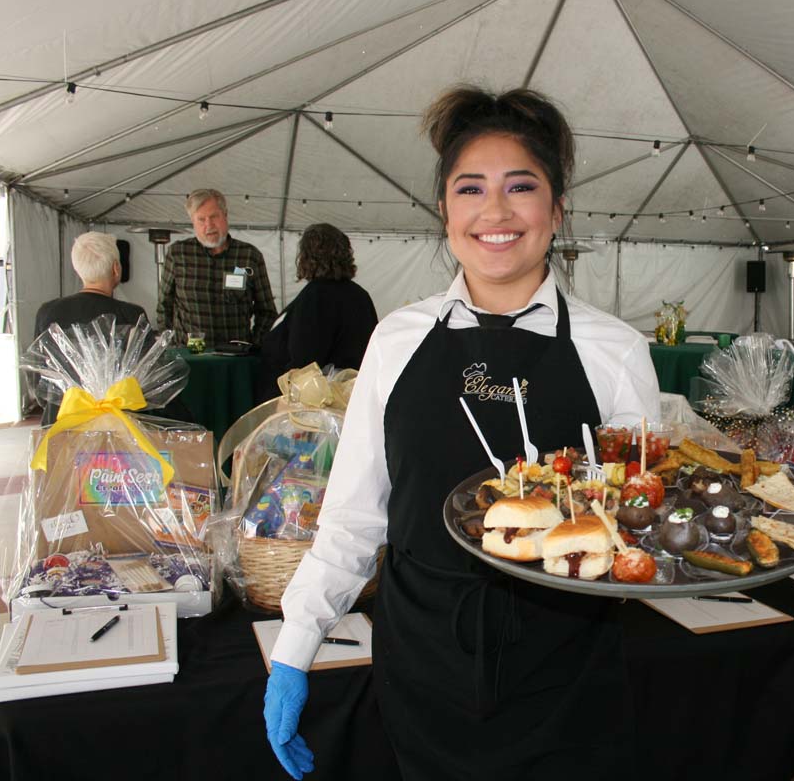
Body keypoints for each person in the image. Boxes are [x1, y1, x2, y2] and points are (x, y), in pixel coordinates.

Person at [263, 86, 660, 780]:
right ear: (445, 211)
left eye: (521, 187)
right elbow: (355, 520)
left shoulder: (615, 350)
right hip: (422, 663)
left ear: (557, 211)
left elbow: (641, 516)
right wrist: (295, 649)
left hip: (565, 667)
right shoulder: (396, 340)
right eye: (470, 188)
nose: (496, 211)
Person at [34, 231, 148, 424]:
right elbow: (144, 380)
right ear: (116, 269)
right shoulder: (131, 314)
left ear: (78, 269)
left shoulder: (48, 311)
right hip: (120, 422)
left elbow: (40, 378)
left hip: (61, 420)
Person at [256, 223, 378, 402]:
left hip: (322, 404)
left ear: (306, 257)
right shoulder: (360, 295)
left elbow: (303, 362)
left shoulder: (315, 297)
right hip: (355, 397)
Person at [156, 189, 277, 346]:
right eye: (201, 219)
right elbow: (164, 307)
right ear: (193, 222)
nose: (209, 225)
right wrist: (172, 350)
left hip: (236, 358)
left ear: (225, 215)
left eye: (214, 217)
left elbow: (267, 311)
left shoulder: (249, 256)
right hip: (191, 358)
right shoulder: (178, 254)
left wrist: (254, 347)